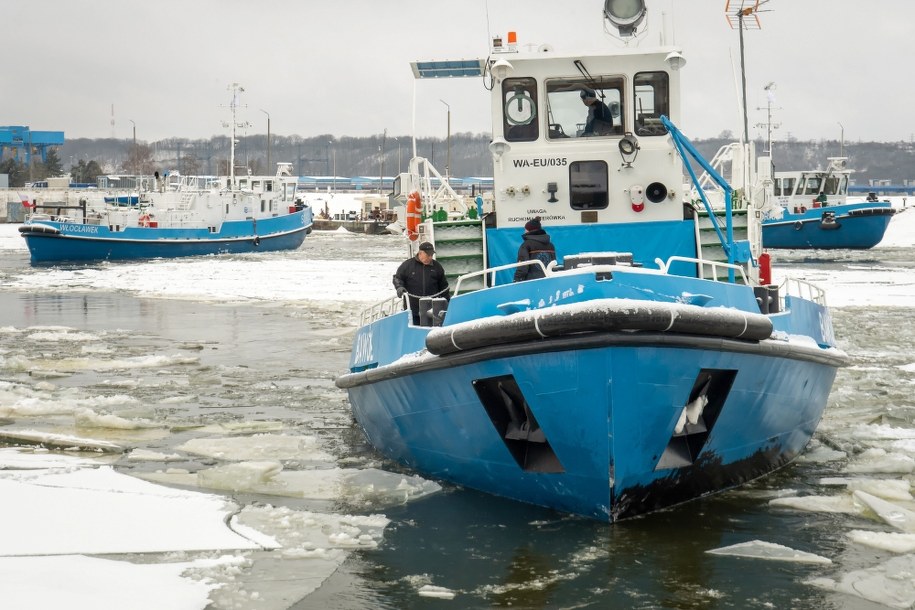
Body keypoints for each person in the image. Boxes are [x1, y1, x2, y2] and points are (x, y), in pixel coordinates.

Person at [392, 241, 450, 324]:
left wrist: (448, 304)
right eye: (427, 255)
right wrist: (399, 287)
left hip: (432, 310)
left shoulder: (437, 267)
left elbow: (444, 287)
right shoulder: (407, 265)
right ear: (420, 253)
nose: (430, 257)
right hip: (412, 310)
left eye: (431, 255)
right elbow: (397, 278)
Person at [513, 217, 556, 282]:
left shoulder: (526, 245)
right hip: (549, 281)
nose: (524, 231)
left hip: (531, 283)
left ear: (529, 230)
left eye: (525, 229)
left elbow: (523, 267)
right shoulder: (551, 245)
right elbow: (554, 265)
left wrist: (516, 280)